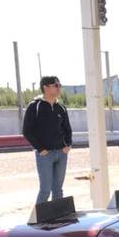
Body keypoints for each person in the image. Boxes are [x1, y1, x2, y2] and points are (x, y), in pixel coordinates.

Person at [23, 75, 73, 204]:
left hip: (62, 153)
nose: (59, 88)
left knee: (58, 190)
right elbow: (27, 131)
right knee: (45, 190)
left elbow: (67, 128)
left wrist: (68, 145)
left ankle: (58, 216)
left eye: (60, 85)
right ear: (45, 88)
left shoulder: (61, 107)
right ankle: (37, 217)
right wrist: (41, 149)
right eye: (56, 85)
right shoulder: (35, 106)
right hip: (45, 155)